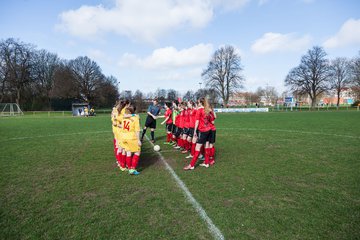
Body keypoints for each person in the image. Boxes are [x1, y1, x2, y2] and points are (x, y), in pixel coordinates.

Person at [184, 97, 213, 170]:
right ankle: (206, 163)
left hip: (203, 131)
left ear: (200, 103)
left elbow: (197, 121)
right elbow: (212, 119)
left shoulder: (199, 110)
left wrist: (195, 131)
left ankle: (192, 165)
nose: (197, 104)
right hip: (209, 130)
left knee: (197, 148)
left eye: (198, 102)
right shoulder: (208, 110)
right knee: (207, 146)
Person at [120, 105, 142, 175]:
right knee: (137, 151)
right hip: (131, 137)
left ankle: (129, 167)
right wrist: (138, 140)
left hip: (124, 137)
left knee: (128, 152)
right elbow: (137, 130)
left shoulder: (124, 118)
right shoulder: (135, 118)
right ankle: (132, 169)